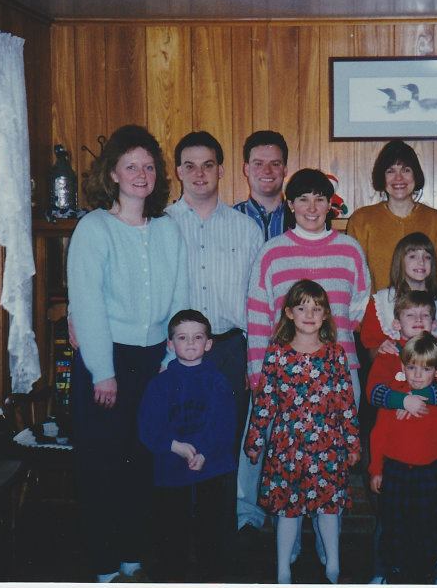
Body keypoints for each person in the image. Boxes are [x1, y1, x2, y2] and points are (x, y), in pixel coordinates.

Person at [67, 124, 188, 583]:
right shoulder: (94, 228)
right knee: (102, 464)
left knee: (143, 458)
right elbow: (87, 304)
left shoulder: (168, 229)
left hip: (154, 359)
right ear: (113, 174)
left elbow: (180, 297)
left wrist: (173, 359)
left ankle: (132, 550)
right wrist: (103, 371)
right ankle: (103, 562)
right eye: (131, 166)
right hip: (106, 360)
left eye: (149, 167)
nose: (141, 175)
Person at [243, 280, 361, 584]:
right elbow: (265, 401)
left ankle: (333, 565)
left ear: (326, 315)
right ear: (289, 313)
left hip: (327, 446)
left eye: (317, 308)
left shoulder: (335, 354)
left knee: (329, 509)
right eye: (302, 307)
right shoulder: (276, 354)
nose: (309, 315)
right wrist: (255, 440)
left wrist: (352, 443)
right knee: (287, 510)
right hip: (287, 447)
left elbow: (346, 402)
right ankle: (283, 568)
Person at [165, 131, 263, 456]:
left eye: (208, 165)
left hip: (230, 352)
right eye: (190, 166)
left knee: (226, 446)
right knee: (181, 446)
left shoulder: (246, 229)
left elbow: (258, 299)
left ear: (220, 170)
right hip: (176, 351)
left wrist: (254, 360)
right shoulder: (162, 225)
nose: (199, 173)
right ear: (178, 171)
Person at [246, 168, 371, 402]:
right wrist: (257, 377)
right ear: (291, 205)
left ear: (329, 205)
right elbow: (258, 320)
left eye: (319, 199)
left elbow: (357, 311)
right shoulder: (272, 252)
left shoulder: (350, 250)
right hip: (285, 371)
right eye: (303, 199)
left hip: (340, 369)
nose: (312, 208)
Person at [365, 290, 437, 584]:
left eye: (425, 315)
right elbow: (373, 392)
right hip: (395, 462)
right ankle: (382, 572)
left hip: (430, 464)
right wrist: (401, 400)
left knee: (433, 523)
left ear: (434, 322)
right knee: (390, 522)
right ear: (397, 323)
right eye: (411, 315)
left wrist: (416, 396)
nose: (419, 320)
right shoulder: (388, 354)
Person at [137, 310, 237, 583]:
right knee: (171, 528)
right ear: (170, 344)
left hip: (212, 465)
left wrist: (204, 452)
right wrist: (175, 446)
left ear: (209, 343)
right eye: (182, 338)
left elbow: (224, 423)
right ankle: (172, 574)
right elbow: (148, 426)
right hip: (171, 465)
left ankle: (212, 576)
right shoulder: (160, 384)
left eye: (198, 337)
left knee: (211, 526)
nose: (191, 343)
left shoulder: (218, 381)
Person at [347, 139, 437, 292]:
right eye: (390, 171)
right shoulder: (361, 220)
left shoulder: (435, 221)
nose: (398, 178)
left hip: (424, 305)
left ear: (415, 175)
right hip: (374, 305)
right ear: (382, 177)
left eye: (406, 170)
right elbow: (354, 277)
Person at [359, 232, 437, 354]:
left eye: (427, 257)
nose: (421, 262)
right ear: (400, 261)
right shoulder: (381, 302)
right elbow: (371, 351)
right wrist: (380, 349)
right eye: (413, 256)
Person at [233, 130, 290, 241]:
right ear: (246, 169)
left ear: (285, 170)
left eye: (275, 164)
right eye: (258, 164)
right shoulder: (229, 219)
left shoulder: (302, 218)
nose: (267, 170)